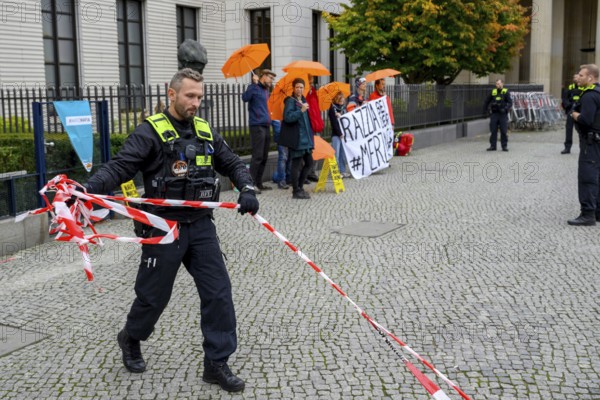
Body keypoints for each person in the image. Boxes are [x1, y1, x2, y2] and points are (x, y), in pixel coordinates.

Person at [84, 68, 259, 392]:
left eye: (199, 97)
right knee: (153, 297)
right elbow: (121, 166)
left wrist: (246, 186)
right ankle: (131, 337)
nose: (195, 102)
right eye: (190, 96)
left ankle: (216, 364)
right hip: (163, 227)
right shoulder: (149, 132)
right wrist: (87, 188)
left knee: (218, 293)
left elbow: (233, 163)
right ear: (172, 94)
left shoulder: (205, 131)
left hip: (201, 226)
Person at [568, 64, 600, 226]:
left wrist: (574, 114)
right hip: (597, 140)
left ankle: (587, 214)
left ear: (590, 78)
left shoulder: (589, 96)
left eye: (581, 75)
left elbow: (586, 120)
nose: (578, 77)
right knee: (597, 176)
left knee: (587, 177)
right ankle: (597, 212)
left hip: (591, 142)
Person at [242, 68, 277, 193]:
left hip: (266, 125)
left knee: (264, 156)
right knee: (257, 156)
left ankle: (259, 183)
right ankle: (250, 185)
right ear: (263, 76)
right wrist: (253, 84)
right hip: (256, 125)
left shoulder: (265, 90)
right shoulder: (254, 87)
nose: (271, 81)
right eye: (270, 78)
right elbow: (245, 98)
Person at [283, 78, 314, 199]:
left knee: (309, 163)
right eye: (297, 87)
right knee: (296, 165)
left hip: (306, 139)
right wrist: (301, 111)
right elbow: (287, 117)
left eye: (301, 87)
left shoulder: (304, 100)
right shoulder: (290, 101)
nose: (299, 89)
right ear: (293, 88)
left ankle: (300, 187)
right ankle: (296, 191)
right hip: (297, 139)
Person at [483, 79, 512, 151]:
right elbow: (486, 101)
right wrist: (486, 111)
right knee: (493, 130)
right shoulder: (493, 92)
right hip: (494, 113)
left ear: (502, 84)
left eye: (499, 84)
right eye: (496, 84)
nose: (497, 85)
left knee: (503, 130)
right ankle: (493, 146)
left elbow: (510, 103)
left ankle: (504, 146)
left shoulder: (505, 92)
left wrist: (505, 109)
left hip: (502, 114)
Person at [305, 74, 324, 182]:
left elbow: (316, 108)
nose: (312, 82)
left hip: (315, 124)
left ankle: (312, 172)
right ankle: (307, 173)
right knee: (308, 151)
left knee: (317, 150)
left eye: (312, 80)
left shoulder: (313, 91)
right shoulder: (305, 93)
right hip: (309, 125)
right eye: (310, 80)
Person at [328, 91, 350, 178]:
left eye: (343, 98)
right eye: (340, 98)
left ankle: (343, 170)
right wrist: (339, 133)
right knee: (336, 154)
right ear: (336, 99)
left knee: (342, 154)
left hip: (344, 134)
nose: (342, 100)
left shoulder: (344, 108)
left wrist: (341, 115)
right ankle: (336, 172)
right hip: (336, 135)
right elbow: (334, 123)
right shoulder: (332, 109)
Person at [561, 74, 583, 154]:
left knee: (581, 130)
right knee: (569, 129)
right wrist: (569, 106)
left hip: (580, 110)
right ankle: (567, 147)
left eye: (577, 77)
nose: (575, 78)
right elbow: (565, 99)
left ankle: (582, 147)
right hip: (571, 110)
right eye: (574, 77)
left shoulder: (584, 88)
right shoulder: (570, 88)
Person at [271, 119, 289, 189]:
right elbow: (277, 129)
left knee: (287, 158)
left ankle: (282, 178)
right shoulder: (276, 114)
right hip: (282, 137)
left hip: (287, 136)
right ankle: (281, 180)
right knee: (283, 158)